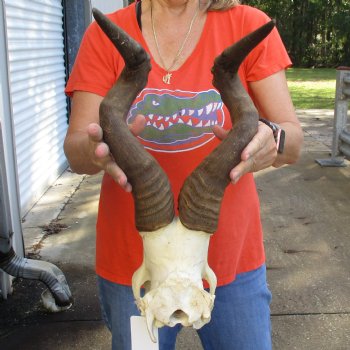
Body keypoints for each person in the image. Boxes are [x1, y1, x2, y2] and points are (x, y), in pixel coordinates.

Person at [64, 0, 303, 349]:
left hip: (229, 263)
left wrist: (271, 139)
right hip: (136, 272)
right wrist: (99, 148)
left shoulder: (248, 25)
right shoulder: (107, 34)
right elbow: (76, 151)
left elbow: (292, 142)